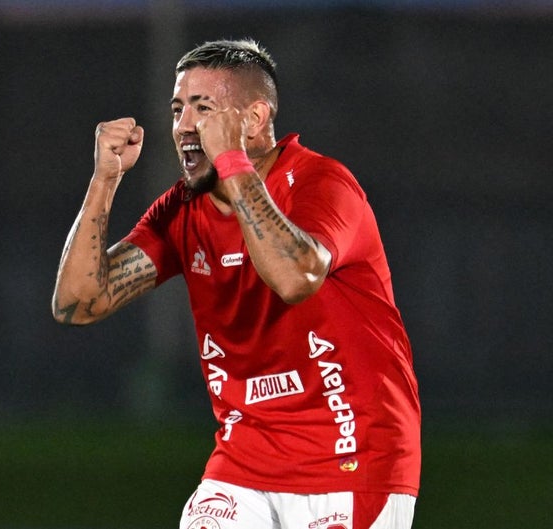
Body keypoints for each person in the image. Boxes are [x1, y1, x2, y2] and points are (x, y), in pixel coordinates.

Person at [52, 38, 420, 529]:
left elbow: (295, 277)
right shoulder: (183, 210)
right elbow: (78, 303)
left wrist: (232, 163)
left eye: (203, 109)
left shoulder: (321, 183)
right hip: (244, 464)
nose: (184, 126)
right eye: (177, 109)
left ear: (254, 119)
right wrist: (104, 180)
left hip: (351, 458)